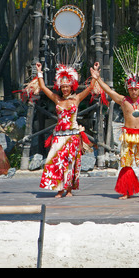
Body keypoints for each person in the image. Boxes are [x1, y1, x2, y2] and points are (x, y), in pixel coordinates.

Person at [91, 45, 139, 199]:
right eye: (131, 89)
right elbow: (109, 91)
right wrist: (98, 78)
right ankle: (127, 191)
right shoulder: (123, 100)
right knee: (126, 163)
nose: (134, 91)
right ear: (128, 89)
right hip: (128, 135)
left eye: (136, 89)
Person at [36, 62, 95, 198]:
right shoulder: (57, 99)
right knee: (55, 160)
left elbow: (91, 87)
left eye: (67, 86)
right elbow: (43, 87)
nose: (65, 89)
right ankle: (59, 189)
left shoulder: (77, 99)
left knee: (70, 163)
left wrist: (94, 75)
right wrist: (39, 71)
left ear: (72, 86)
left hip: (72, 136)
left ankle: (68, 189)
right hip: (59, 135)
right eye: (62, 87)